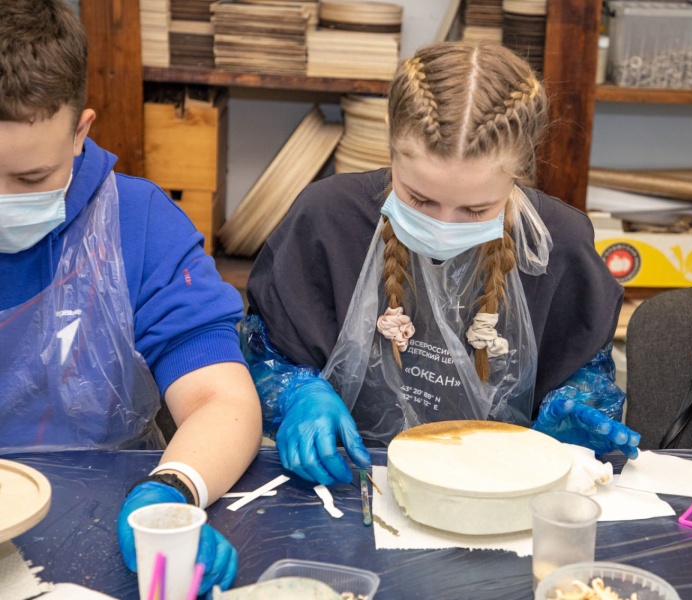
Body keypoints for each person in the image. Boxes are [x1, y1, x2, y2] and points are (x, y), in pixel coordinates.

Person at [242, 41, 640, 487]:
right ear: (391, 138)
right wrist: (295, 394)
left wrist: (575, 408)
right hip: (351, 482)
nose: (444, 226)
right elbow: (263, 355)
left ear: (522, 165)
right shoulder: (327, 220)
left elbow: (587, 375)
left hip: (500, 489)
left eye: (475, 209)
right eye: (419, 199)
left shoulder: (556, 247)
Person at [0, 1, 261, 592]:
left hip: (105, 520)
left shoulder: (138, 225)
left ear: (80, 131)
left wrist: (170, 491)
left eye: (31, 178)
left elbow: (222, 398)